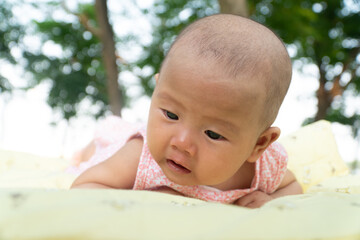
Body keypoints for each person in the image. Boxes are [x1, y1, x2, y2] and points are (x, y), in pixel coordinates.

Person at [70, 14, 303, 208]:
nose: (182, 143)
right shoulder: (141, 156)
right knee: (104, 143)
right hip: (118, 145)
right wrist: (142, 201)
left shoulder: (263, 168)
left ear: (259, 144)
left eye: (212, 134)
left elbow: (293, 187)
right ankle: (86, 149)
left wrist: (270, 200)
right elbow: (84, 186)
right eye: (171, 114)